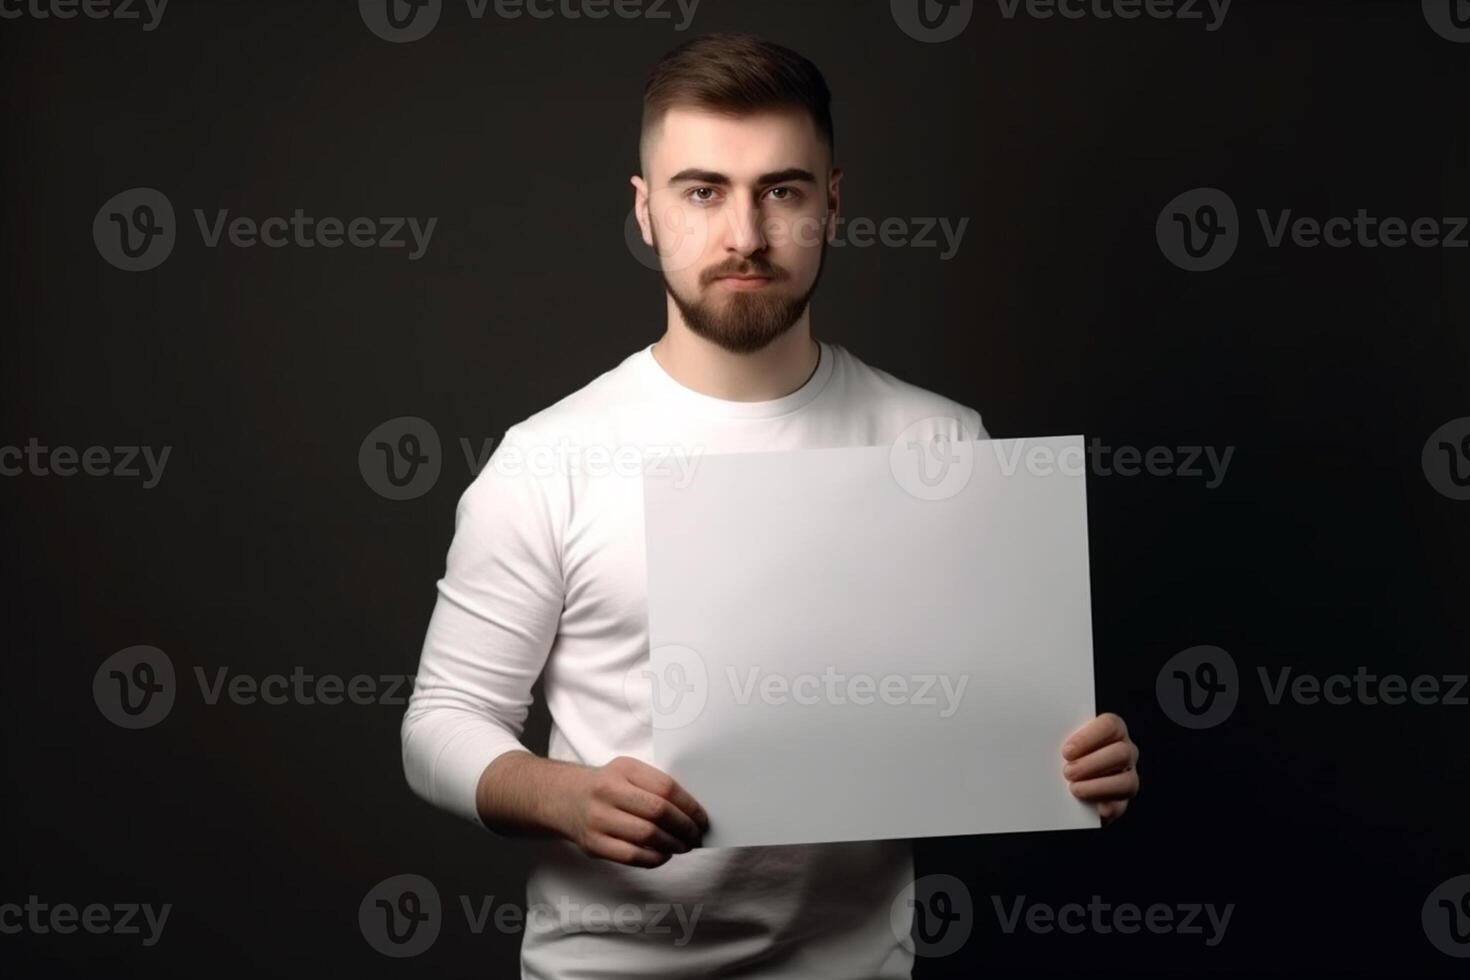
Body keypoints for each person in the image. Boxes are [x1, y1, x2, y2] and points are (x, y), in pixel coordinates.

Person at [401, 31, 1140, 978]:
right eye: (702, 191)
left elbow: (995, 722)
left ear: (833, 205)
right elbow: (441, 721)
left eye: (781, 191)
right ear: (645, 212)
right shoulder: (549, 460)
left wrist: (1076, 759)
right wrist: (565, 796)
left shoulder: (941, 446)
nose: (744, 235)